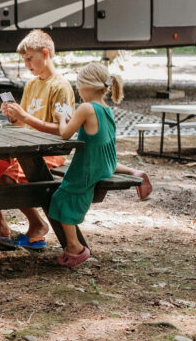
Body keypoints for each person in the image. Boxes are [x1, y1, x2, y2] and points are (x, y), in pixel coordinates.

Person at [0, 29, 75, 250]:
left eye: (30, 58)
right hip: (25, 147)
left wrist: (25, 117)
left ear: (45, 53)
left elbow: (63, 132)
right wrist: (13, 116)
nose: (27, 64)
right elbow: (22, 124)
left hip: (49, 152)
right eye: (24, 59)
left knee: (8, 180)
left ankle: (38, 225)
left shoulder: (61, 87)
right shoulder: (31, 84)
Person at [46, 61, 121, 267]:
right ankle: (72, 245)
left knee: (61, 197)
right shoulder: (105, 108)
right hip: (105, 163)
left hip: (89, 166)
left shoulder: (86, 108)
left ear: (85, 87)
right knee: (62, 196)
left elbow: (64, 133)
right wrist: (71, 118)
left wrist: (61, 117)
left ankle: (75, 248)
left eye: (78, 86)